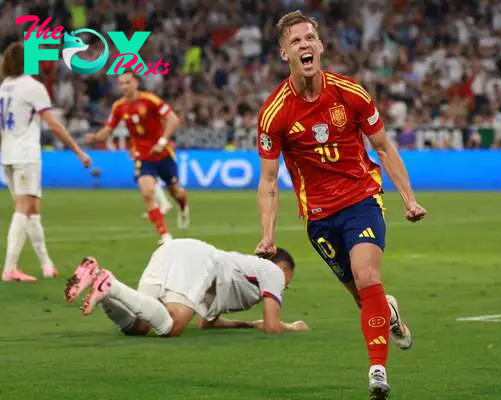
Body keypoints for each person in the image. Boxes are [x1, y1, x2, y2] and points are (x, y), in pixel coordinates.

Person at [254, 11, 427, 399]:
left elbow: (383, 146)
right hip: (318, 216)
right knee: (362, 296)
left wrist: (408, 199)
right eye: (296, 41)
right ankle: (390, 313)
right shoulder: (274, 112)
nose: (305, 45)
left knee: (367, 278)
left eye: (310, 38)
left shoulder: (351, 93)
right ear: (285, 53)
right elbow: (268, 180)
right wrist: (268, 235)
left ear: (321, 46)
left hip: (361, 198)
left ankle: (377, 372)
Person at [64, 238, 309, 336]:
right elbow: (273, 327)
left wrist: (249, 324)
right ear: (283, 269)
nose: (284, 287)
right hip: (199, 257)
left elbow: (206, 322)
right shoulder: (274, 273)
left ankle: (100, 282)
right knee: (172, 327)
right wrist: (293, 327)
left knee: (137, 326)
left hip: (172, 249)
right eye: (289, 281)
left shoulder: (246, 273)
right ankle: (111, 285)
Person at [0, 42, 91, 283]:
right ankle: (10, 268)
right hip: (25, 155)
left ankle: (46, 264)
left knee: (32, 211)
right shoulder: (32, 87)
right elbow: (53, 123)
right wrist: (78, 151)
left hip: (8, 154)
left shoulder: (5, 87)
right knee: (23, 209)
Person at [86, 72, 188, 243]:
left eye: (128, 82)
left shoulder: (151, 100)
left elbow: (173, 119)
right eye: (121, 83)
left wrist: (162, 142)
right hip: (143, 155)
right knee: (147, 192)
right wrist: (96, 137)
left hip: (162, 153)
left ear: (136, 83)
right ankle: (165, 235)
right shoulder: (118, 106)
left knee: (176, 192)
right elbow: (107, 130)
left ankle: (183, 207)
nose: (124, 86)